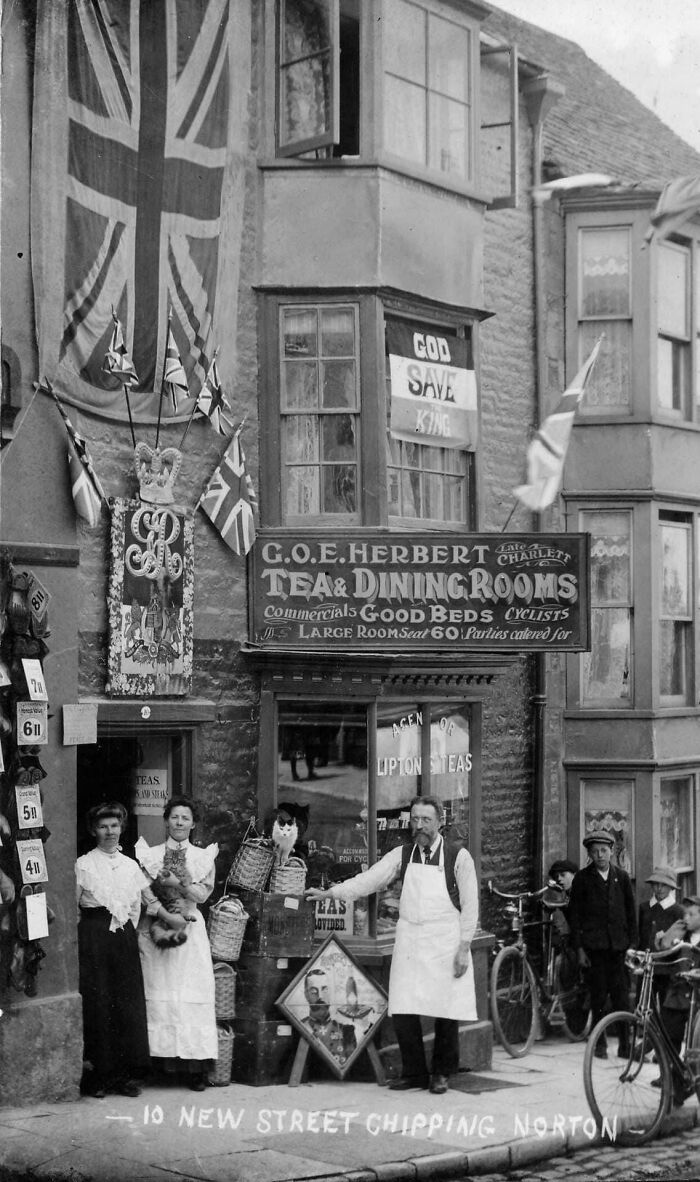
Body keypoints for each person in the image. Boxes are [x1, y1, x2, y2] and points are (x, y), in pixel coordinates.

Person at [306, 794, 478, 1095]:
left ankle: (441, 1073)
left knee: (446, 1009)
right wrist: (332, 893)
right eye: (415, 820)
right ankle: (414, 1073)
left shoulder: (458, 857)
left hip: (445, 939)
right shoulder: (403, 854)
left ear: (440, 822)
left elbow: (471, 905)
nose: (420, 825)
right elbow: (370, 879)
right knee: (404, 1006)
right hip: (410, 937)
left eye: (426, 820)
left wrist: (464, 947)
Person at [75, 802, 164, 1098]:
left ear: (121, 828)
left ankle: (126, 1074)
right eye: (103, 826)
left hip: (123, 935)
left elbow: (144, 902)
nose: (109, 831)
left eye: (114, 825)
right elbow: (76, 906)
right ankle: (100, 1075)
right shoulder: (84, 864)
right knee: (100, 1000)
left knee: (126, 1001)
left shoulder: (130, 866)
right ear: (93, 830)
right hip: (95, 933)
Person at [135, 796, 219, 1091]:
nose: (179, 823)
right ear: (166, 820)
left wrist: (177, 884)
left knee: (189, 990)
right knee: (159, 988)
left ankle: (195, 1069)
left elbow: (201, 895)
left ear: (193, 824)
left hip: (190, 929)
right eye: (174, 817)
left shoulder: (202, 857)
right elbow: (143, 889)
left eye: (185, 818)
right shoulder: (150, 855)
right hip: (157, 926)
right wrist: (162, 911)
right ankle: (157, 1064)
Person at [567, 829, 637, 1059]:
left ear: (612, 852)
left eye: (604, 851)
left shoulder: (622, 878)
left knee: (621, 996)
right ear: (589, 854)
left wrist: (632, 946)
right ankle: (600, 1044)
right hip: (594, 950)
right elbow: (574, 916)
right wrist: (579, 949)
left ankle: (626, 1045)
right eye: (595, 852)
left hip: (619, 949)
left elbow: (630, 914)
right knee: (597, 996)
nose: (600, 855)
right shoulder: (582, 879)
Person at [655, 894, 700, 1106]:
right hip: (677, 996)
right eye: (685, 914)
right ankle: (674, 1083)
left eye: (692, 914)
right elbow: (664, 948)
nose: (687, 918)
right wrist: (664, 937)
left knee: (693, 1048)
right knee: (669, 1038)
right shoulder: (682, 935)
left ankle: (689, 1082)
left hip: (697, 1000)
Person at [301, 967, 357, 1066]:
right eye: (314, 992)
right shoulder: (301, 1027)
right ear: (306, 995)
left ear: (330, 992)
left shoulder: (346, 1030)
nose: (320, 996)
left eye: (324, 989)